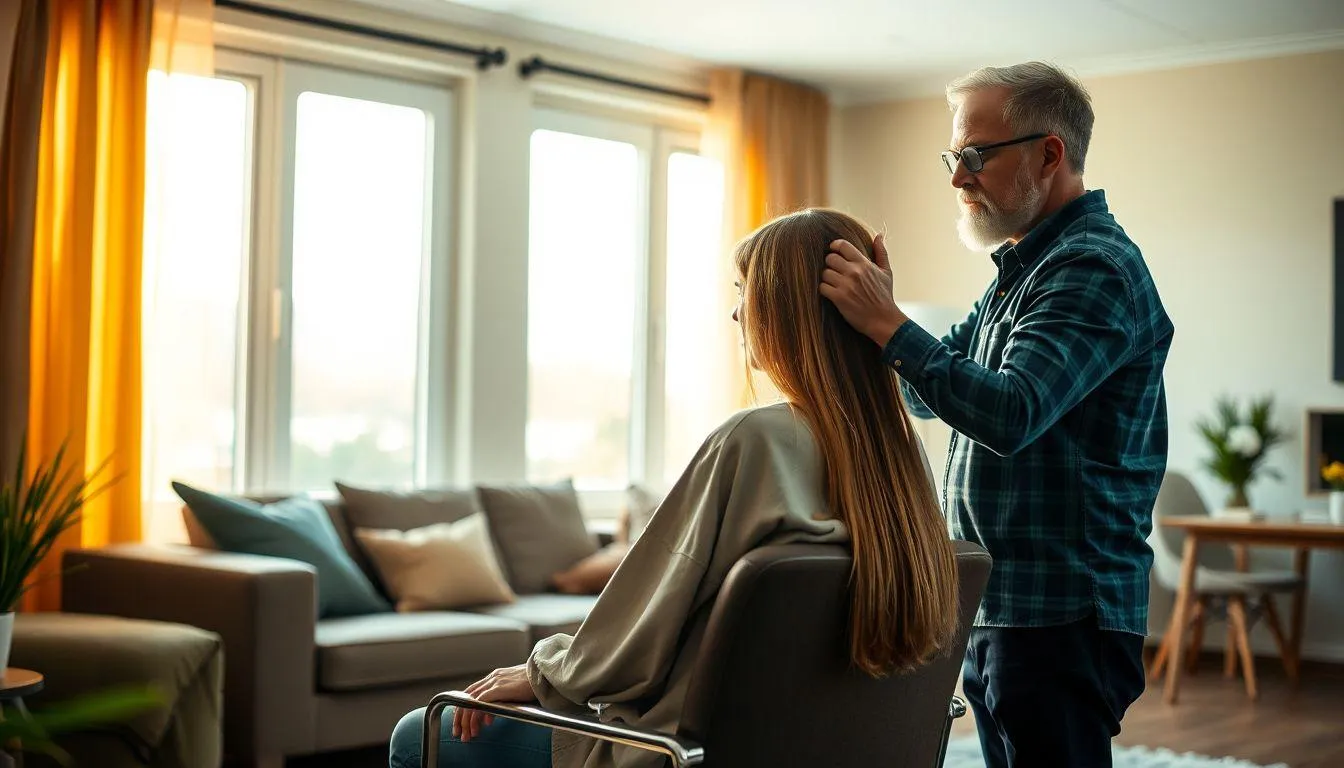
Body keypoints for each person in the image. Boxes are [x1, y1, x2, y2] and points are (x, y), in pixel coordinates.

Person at [389, 209, 960, 768]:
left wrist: (543, 671)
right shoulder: (903, 460)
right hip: (828, 748)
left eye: (747, 291)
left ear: (785, 308)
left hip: (683, 751)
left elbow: (640, 632)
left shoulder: (752, 441)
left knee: (421, 734)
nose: (737, 314)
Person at [820, 62, 1174, 767]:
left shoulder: (1090, 268)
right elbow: (928, 392)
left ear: (1051, 154)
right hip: (1001, 605)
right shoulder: (1020, 273)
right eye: (956, 157)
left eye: (976, 156)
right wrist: (877, 330)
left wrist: (890, 326)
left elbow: (1013, 413)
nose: (958, 177)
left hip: (1061, 614)